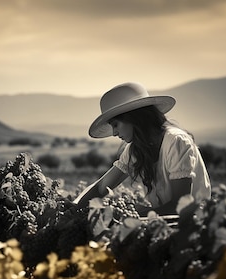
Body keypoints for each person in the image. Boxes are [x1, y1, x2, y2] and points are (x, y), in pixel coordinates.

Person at [74, 82, 211, 216]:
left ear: (134, 118)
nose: (114, 133)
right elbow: (101, 186)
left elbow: (180, 206)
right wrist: (74, 206)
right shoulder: (134, 150)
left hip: (195, 225)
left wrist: (137, 214)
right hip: (162, 225)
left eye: (116, 125)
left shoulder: (176, 141)